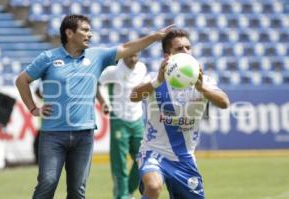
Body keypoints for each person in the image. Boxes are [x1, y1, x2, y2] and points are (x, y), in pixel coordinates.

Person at [15, 14, 173, 199]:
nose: (90, 34)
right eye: (85, 30)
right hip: (53, 135)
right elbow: (22, 80)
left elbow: (128, 47)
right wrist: (34, 109)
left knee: (78, 191)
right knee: (47, 182)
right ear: (69, 33)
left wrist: (154, 37)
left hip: (84, 135)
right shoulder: (48, 58)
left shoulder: (97, 56)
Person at [130, 29, 230, 199]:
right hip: (154, 152)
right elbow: (133, 96)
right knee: (153, 187)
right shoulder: (155, 78)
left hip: (184, 157)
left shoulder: (204, 81)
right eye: (179, 49)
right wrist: (157, 82)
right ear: (168, 55)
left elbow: (224, 102)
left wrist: (201, 88)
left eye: (188, 47)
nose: (185, 51)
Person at [97, 53, 147, 199]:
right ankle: (122, 196)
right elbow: (95, 83)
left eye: (136, 55)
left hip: (137, 120)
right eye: (130, 55)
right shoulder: (113, 71)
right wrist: (103, 101)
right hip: (119, 120)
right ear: (124, 55)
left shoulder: (142, 68)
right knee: (120, 163)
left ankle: (129, 191)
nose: (133, 58)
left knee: (143, 159)